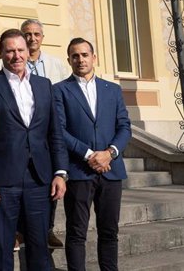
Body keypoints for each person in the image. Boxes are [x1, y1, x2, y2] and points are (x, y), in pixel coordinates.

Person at [0, 28, 68, 271]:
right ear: (1, 54)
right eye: (10, 51)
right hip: (3, 180)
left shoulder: (44, 85)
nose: (16, 55)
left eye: (20, 50)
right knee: (2, 245)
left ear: (27, 52)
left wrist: (61, 172)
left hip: (39, 178)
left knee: (40, 246)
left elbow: (55, 133)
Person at [53, 38, 131, 271]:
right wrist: (89, 155)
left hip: (111, 171)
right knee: (76, 233)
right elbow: (59, 129)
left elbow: (124, 127)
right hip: (79, 171)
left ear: (94, 57)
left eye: (85, 55)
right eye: (75, 56)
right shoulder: (59, 90)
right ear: (69, 60)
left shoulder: (113, 90)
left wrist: (110, 153)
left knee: (109, 232)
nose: (80, 60)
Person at [21, 18, 71, 248]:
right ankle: (19, 230)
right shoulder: (16, 60)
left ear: (42, 37)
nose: (32, 38)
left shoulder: (56, 65)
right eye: (28, 34)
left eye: (36, 34)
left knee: (51, 182)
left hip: (47, 134)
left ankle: (48, 229)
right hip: (22, 134)